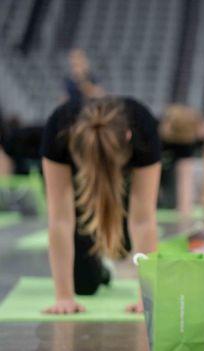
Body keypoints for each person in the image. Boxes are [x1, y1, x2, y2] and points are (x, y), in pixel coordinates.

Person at [40, 97, 161, 314]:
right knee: (84, 286)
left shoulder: (143, 125)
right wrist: (64, 297)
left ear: (128, 136)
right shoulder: (58, 127)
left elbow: (143, 220)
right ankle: (103, 270)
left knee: (122, 244)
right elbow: (60, 219)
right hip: (80, 188)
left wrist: (147, 297)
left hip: (122, 187)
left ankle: (113, 253)